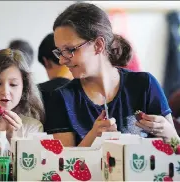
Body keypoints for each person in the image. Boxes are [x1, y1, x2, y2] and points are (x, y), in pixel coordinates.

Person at [44, 2, 179, 147]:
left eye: (70, 49)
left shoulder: (144, 85)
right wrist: (92, 138)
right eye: (59, 51)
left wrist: (168, 133)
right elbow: (62, 166)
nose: (62, 60)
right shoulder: (61, 99)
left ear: (98, 45)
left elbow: (176, 150)